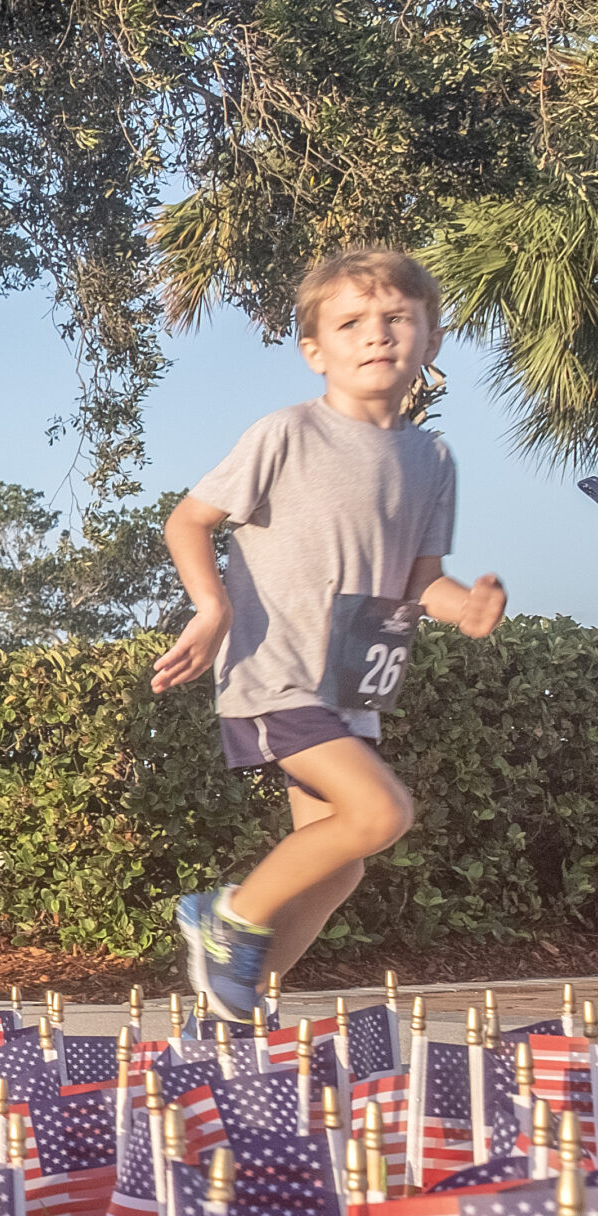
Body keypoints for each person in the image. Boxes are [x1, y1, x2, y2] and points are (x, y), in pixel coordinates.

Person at [153, 249, 505, 1022]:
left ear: (430, 338)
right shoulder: (287, 433)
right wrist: (210, 609)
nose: (375, 335)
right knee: (381, 814)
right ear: (315, 350)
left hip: (352, 681)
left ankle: (239, 1002)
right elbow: (189, 519)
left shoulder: (431, 458)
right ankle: (227, 917)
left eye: (396, 319)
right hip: (278, 672)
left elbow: (418, 578)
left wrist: (463, 608)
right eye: (351, 323)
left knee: (340, 865)